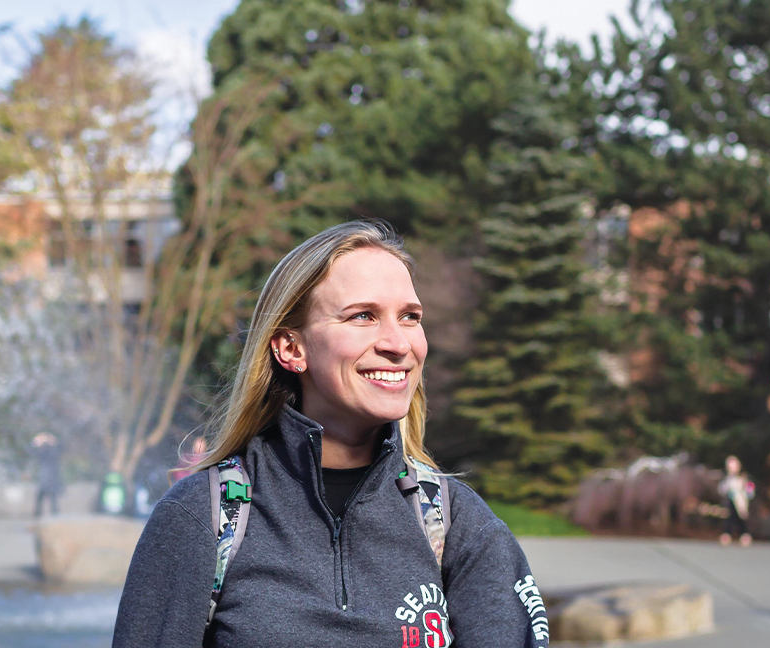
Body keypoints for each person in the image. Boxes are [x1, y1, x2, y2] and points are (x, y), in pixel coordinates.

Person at [114, 220, 549, 647]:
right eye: (363, 316)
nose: (398, 344)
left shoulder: (457, 524)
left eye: (410, 317)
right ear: (291, 348)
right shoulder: (201, 518)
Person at [718, 455, 756, 547]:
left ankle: (745, 534)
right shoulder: (727, 479)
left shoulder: (745, 478)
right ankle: (727, 534)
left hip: (742, 503)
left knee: (743, 518)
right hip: (730, 503)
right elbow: (721, 490)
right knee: (729, 518)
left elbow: (750, 491)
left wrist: (746, 492)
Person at [31, 433, 64, 518]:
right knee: (41, 495)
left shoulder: (52, 452)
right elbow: (32, 451)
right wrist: (36, 441)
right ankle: (39, 513)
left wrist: (52, 441)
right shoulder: (42, 452)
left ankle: (54, 513)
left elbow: (60, 450)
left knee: (52, 496)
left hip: (51, 477)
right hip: (44, 477)